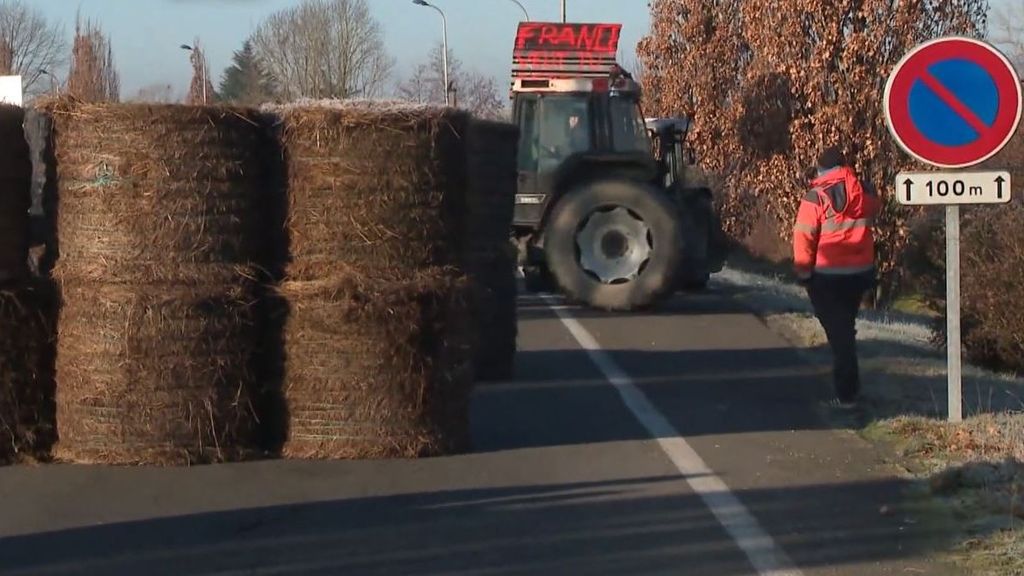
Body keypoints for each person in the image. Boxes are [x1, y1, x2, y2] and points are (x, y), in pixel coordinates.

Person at [792, 145, 880, 409]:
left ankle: (847, 396)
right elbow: (875, 209)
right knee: (844, 329)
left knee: (839, 336)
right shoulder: (865, 192)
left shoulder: (814, 197)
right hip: (860, 274)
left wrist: (803, 273)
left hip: (826, 276)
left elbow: (803, 238)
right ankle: (848, 390)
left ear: (821, 169)